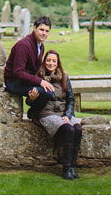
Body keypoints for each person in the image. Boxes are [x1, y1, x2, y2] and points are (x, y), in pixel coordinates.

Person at [28, 50, 83, 180]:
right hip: (47, 113)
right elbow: (30, 102)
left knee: (78, 128)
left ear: (58, 63)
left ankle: (72, 167)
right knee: (68, 129)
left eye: (54, 61)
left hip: (63, 112)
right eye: (48, 60)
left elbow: (70, 99)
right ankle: (66, 168)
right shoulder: (39, 77)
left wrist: (67, 115)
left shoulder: (64, 77)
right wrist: (31, 98)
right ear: (44, 62)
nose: (51, 63)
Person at [3, 16, 56, 118]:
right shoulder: (24, 45)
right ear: (34, 28)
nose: (44, 33)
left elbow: (36, 69)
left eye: (46, 31)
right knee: (47, 92)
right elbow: (18, 72)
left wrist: (44, 80)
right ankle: (33, 113)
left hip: (25, 80)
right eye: (41, 29)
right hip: (13, 82)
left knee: (51, 88)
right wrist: (40, 82)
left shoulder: (40, 46)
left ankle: (35, 106)